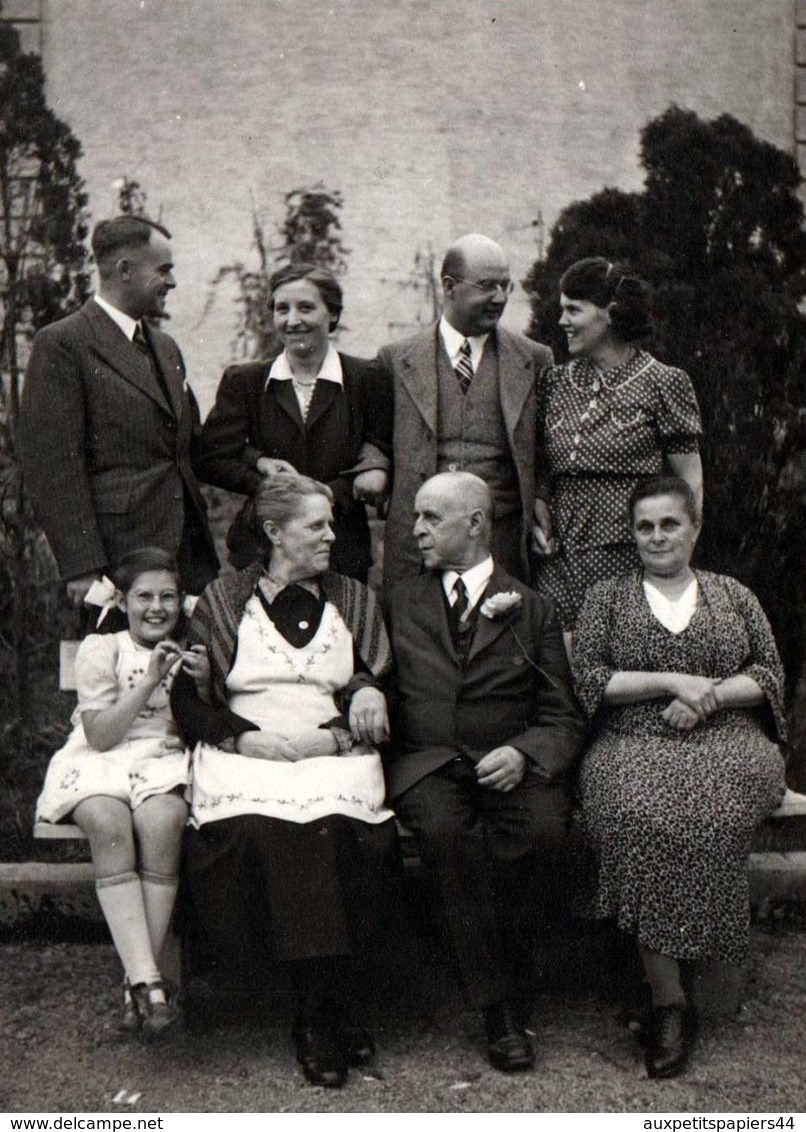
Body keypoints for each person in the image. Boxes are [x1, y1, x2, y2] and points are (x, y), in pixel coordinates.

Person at [170, 474, 398, 1089]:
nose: (332, 534)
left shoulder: (353, 598)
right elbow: (187, 702)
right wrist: (244, 737)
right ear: (273, 532)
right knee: (278, 834)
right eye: (316, 525)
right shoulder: (223, 601)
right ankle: (317, 1016)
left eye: (331, 524)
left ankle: (334, 1004)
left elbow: (377, 675)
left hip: (332, 749)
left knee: (340, 829)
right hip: (246, 752)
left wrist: (355, 711)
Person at [572, 475, 787, 1079]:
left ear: (694, 528)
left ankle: (705, 977)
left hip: (730, 737)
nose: (657, 536)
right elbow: (590, 680)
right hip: (633, 737)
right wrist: (670, 682)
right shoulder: (607, 598)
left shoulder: (732, 594)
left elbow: (767, 676)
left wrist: (708, 698)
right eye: (645, 526)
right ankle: (670, 1000)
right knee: (642, 809)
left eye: (670, 523)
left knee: (708, 810)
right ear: (632, 535)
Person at [384, 472, 585, 1072]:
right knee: (446, 835)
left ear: (474, 524)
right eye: (415, 517)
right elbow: (370, 670)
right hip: (429, 763)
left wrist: (524, 753)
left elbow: (562, 713)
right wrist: (368, 690)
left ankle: (512, 974)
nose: (415, 529)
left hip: (509, 764)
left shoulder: (533, 608)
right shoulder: (398, 599)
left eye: (429, 518)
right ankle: (502, 1011)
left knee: (544, 830)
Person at [35, 548, 210, 1036]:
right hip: (101, 756)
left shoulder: (192, 649)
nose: (157, 608)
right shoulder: (103, 648)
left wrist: (204, 684)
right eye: (144, 597)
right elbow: (101, 735)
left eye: (168, 597)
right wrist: (152, 679)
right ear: (123, 600)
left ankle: (140, 983)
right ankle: (150, 980)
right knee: (110, 825)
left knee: (163, 822)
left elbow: (201, 722)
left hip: (161, 761)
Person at [19, 216, 218, 605]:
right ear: (125, 270)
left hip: (185, 556)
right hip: (116, 563)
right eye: (164, 270)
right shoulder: (64, 343)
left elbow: (188, 446)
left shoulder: (165, 348)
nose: (172, 282)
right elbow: (52, 464)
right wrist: (82, 567)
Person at [532, 257, 703, 639]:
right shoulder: (554, 382)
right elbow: (542, 464)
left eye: (573, 310)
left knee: (621, 669)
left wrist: (675, 555)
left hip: (629, 557)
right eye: (562, 309)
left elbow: (689, 479)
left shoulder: (663, 382)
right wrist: (538, 503)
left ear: (610, 314)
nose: (562, 321)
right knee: (560, 673)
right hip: (557, 560)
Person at [377, 233, 553, 594]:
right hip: (418, 545)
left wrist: (541, 498)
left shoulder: (534, 360)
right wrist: (373, 470)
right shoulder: (394, 360)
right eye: (488, 286)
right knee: (419, 642)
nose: (500, 298)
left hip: (500, 545)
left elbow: (547, 447)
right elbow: (374, 440)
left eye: (506, 286)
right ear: (450, 287)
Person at [196, 263, 391, 581]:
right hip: (264, 548)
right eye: (282, 309)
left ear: (333, 314)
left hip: (340, 548)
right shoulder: (245, 382)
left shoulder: (366, 378)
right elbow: (209, 456)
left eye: (306, 308)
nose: (292, 320)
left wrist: (363, 476)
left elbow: (383, 443)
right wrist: (261, 470)